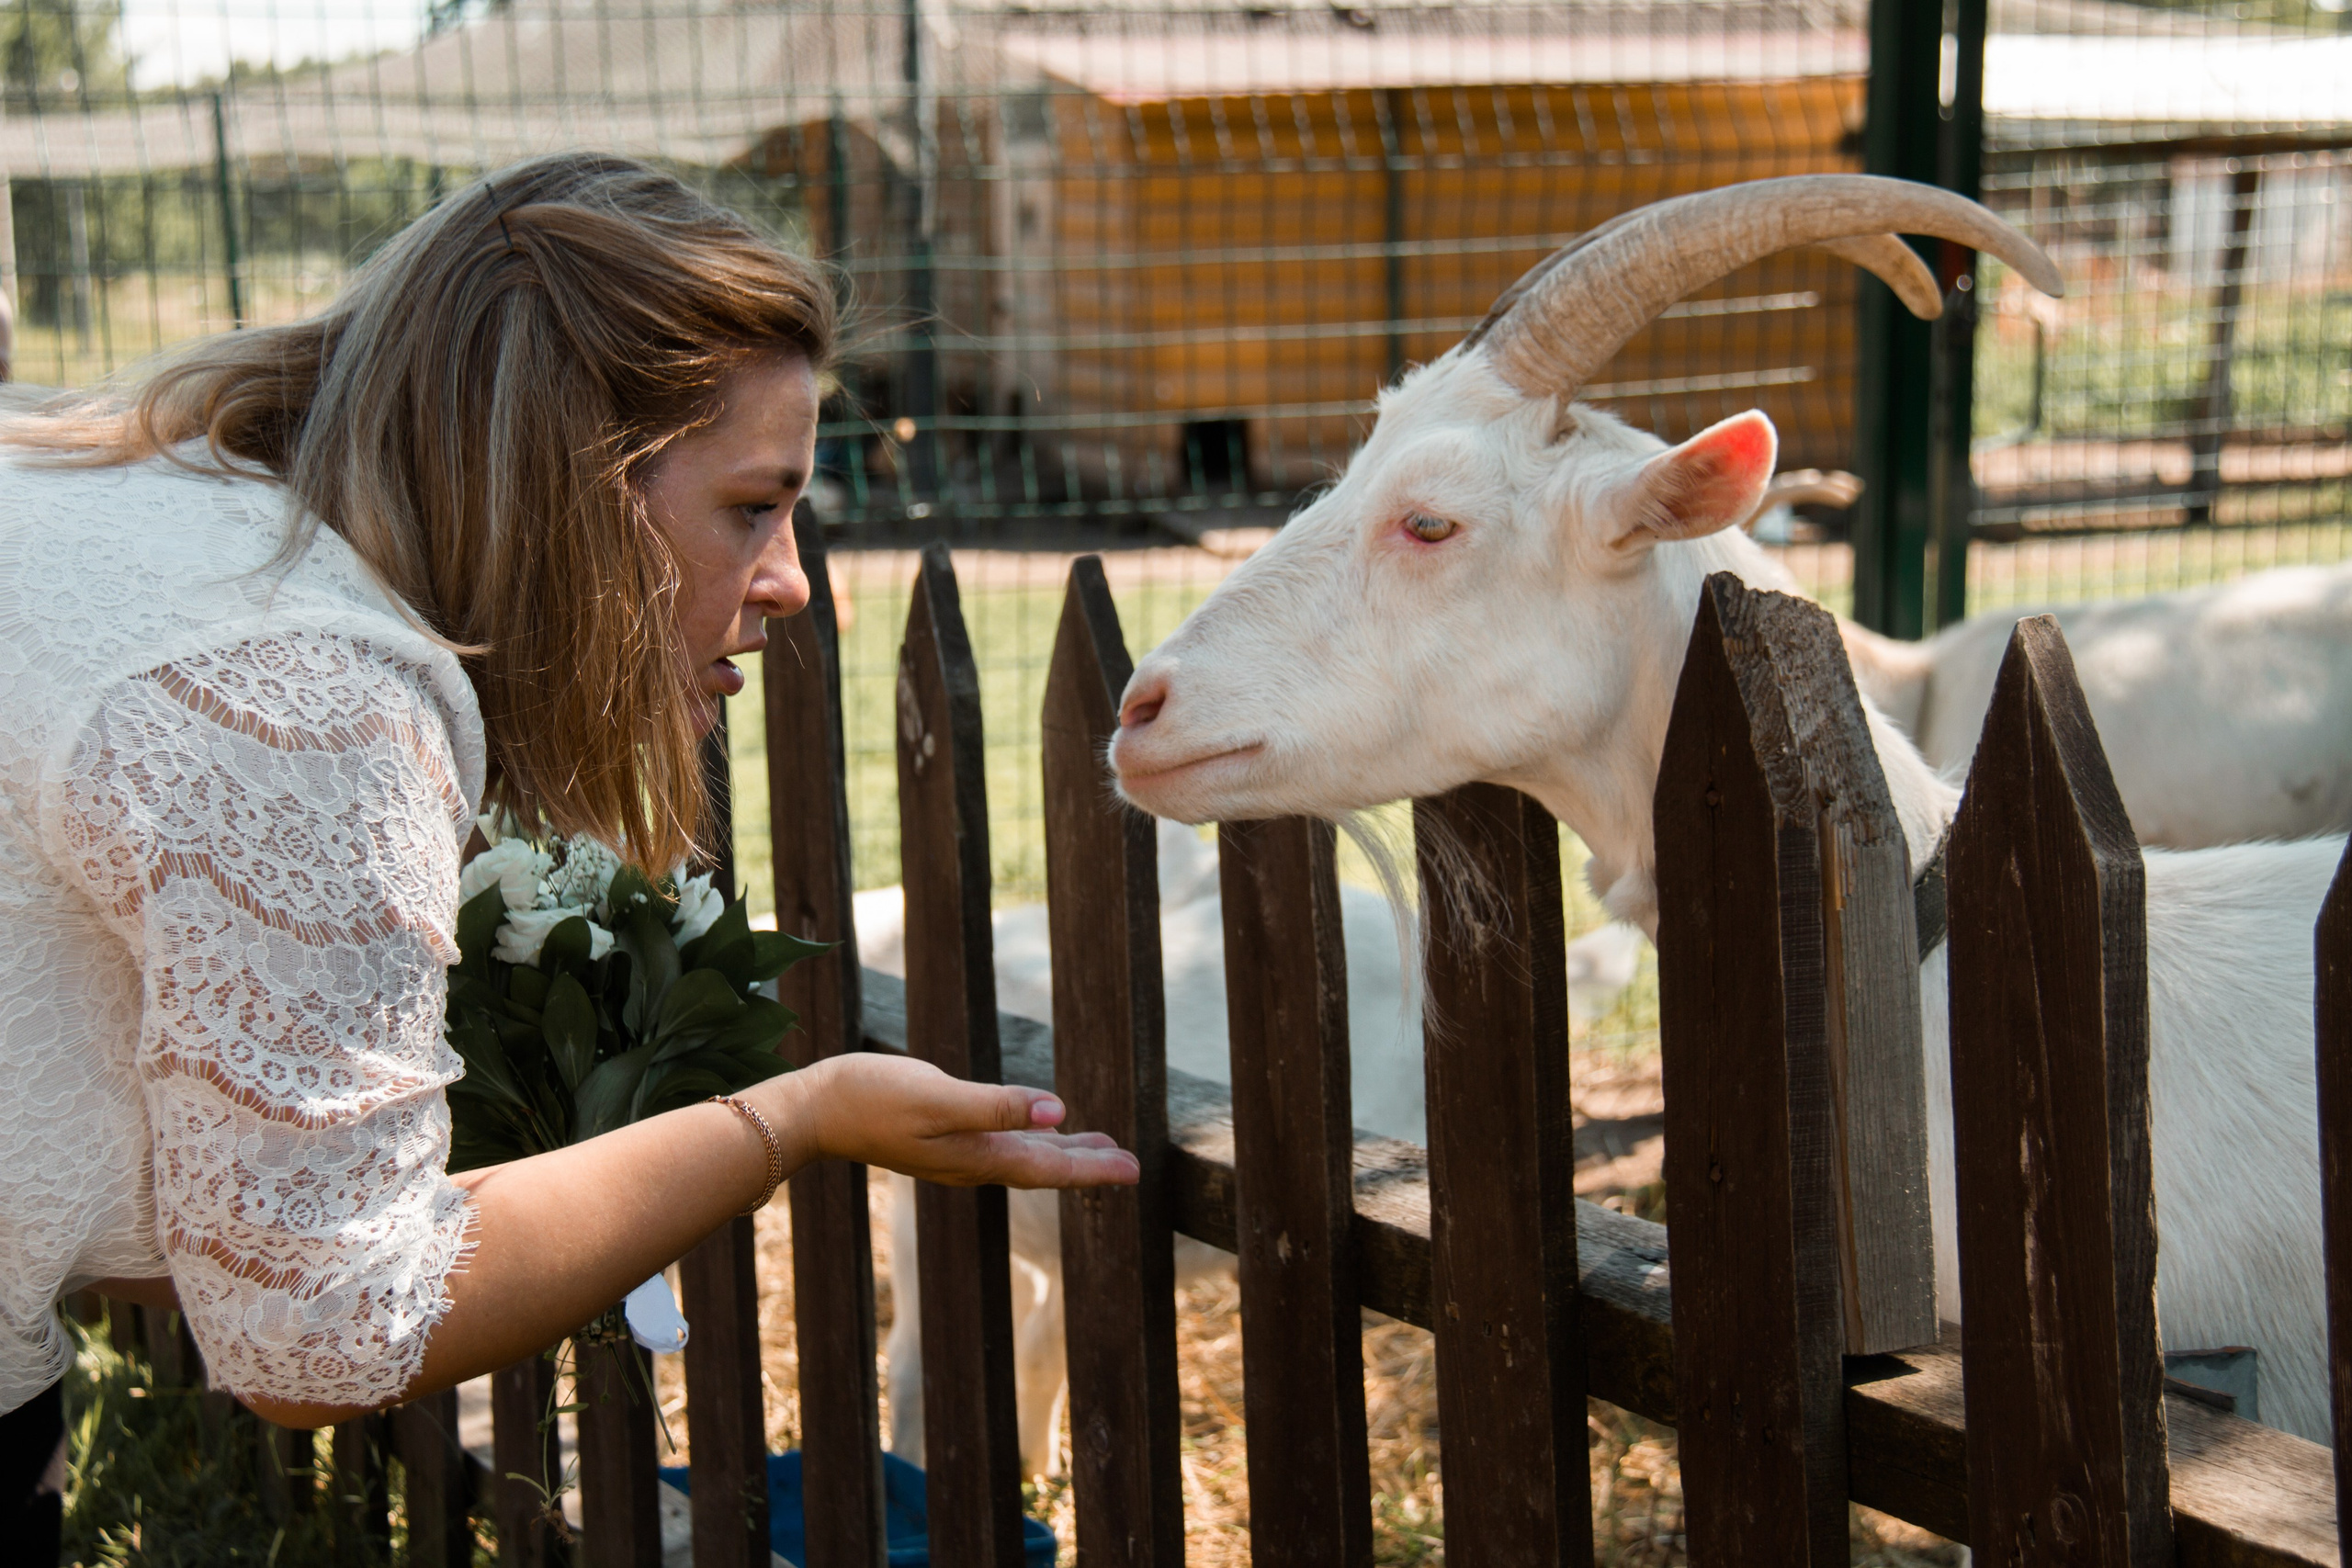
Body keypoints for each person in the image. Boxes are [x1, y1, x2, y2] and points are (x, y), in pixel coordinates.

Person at [0, 152, 1136, 1553]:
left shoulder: (164, 505)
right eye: (750, 504)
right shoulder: (307, 695)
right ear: (570, 482)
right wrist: (789, 1121)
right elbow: (320, 1337)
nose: (788, 576)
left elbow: (219, 1217)